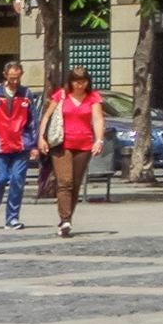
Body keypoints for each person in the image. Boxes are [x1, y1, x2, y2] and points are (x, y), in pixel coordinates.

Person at [38, 65, 105, 237]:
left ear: (87, 82)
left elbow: (97, 119)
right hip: (62, 144)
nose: (79, 85)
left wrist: (99, 140)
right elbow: (46, 116)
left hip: (84, 145)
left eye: (82, 82)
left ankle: (67, 219)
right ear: (70, 82)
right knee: (65, 181)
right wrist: (41, 138)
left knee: (75, 184)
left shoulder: (93, 98)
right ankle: (65, 218)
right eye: (76, 82)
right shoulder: (61, 95)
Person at [0, 61, 40, 230]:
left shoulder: (26, 94)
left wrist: (33, 145)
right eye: (11, 78)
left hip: (21, 145)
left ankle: (12, 218)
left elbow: (33, 122)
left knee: (17, 180)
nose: (15, 82)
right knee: (0, 179)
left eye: (17, 78)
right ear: (5, 75)